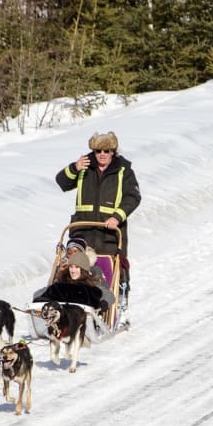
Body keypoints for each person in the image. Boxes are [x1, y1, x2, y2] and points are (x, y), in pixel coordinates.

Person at [54, 131, 141, 319]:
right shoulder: (84, 167)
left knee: (108, 269)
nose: (102, 154)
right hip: (83, 231)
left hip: (109, 234)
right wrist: (74, 168)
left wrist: (117, 216)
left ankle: (115, 300)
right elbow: (61, 182)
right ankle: (66, 304)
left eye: (107, 150)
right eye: (98, 150)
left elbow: (133, 197)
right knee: (75, 269)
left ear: (113, 152)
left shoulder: (124, 171)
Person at [33, 239, 115, 311]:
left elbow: (107, 294)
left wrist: (104, 303)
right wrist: (60, 273)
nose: (72, 255)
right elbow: (47, 290)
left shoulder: (93, 275)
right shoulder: (64, 274)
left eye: (76, 252)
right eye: (69, 253)